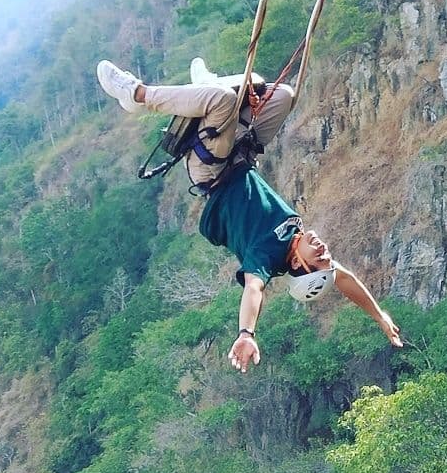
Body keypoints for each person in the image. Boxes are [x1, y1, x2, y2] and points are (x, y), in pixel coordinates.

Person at [96, 58, 402, 373]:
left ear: (298, 263)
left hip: (212, 170)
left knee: (224, 100)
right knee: (283, 95)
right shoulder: (298, 241)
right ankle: (205, 83)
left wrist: (246, 333)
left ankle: (137, 95)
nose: (326, 252)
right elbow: (346, 280)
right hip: (241, 154)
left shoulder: (267, 256)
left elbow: (254, 289)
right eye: (328, 259)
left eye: (320, 259)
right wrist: (380, 316)